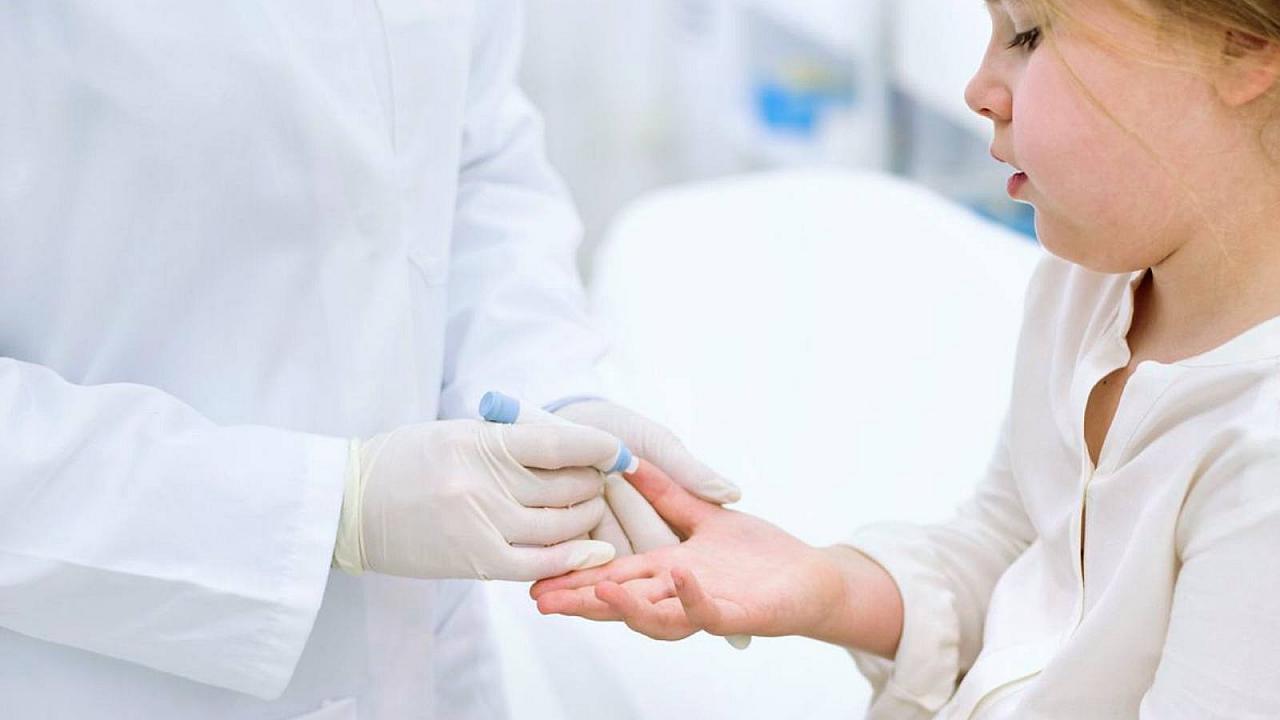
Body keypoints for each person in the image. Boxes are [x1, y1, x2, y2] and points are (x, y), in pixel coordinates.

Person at [531, 0, 1280, 717]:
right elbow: (1019, 561)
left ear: (1242, 48)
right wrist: (825, 584)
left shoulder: (1261, 456)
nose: (978, 90)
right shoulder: (1089, 282)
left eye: (1028, 34)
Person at [0, 2, 738, 718]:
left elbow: (473, 163)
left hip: (427, 654)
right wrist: (330, 505)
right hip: (103, 669)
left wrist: (548, 400)